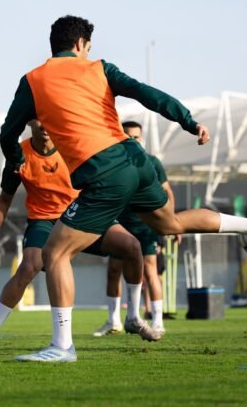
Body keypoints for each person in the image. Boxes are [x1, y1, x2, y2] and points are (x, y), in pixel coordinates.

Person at [0, 15, 247, 363]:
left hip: (105, 171)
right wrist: (188, 121)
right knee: (171, 224)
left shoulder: (33, 81)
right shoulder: (100, 68)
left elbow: (7, 133)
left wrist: (14, 158)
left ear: (54, 45)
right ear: (81, 45)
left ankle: (63, 346)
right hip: (137, 160)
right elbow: (147, 94)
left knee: (54, 254)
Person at [0, 120, 152, 352]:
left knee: (132, 246)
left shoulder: (73, 146)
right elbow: (4, 200)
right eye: (38, 118)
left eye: (49, 117)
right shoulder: (19, 155)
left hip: (82, 215)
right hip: (44, 221)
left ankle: (133, 317)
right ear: (28, 121)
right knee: (28, 267)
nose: (45, 124)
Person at [94, 121, 178, 338]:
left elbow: (167, 193)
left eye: (137, 136)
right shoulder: (111, 162)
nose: (133, 140)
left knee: (151, 271)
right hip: (120, 224)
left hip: (147, 225)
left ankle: (157, 321)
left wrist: (171, 223)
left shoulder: (152, 162)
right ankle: (113, 321)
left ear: (142, 138)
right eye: (128, 136)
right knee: (113, 271)